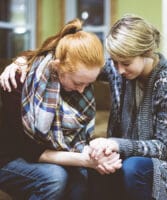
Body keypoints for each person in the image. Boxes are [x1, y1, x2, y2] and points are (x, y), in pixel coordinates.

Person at [1, 15, 167, 200]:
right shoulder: (118, 68)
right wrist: (23, 61)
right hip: (123, 151)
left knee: (132, 167)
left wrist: (115, 144)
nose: (118, 70)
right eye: (114, 61)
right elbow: (73, 62)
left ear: (146, 53)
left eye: (126, 63)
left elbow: (165, 147)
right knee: (90, 173)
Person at [0, 18, 122, 200]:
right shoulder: (18, 82)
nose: (82, 90)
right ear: (57, 67)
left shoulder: (79, 81)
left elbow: (122, 68)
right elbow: (29, 150)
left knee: (81, 177)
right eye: (78, 83)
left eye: (88, 84)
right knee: (55, 177)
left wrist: (98, 157)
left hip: (45, 155)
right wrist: (87, 160)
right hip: (9, 158)